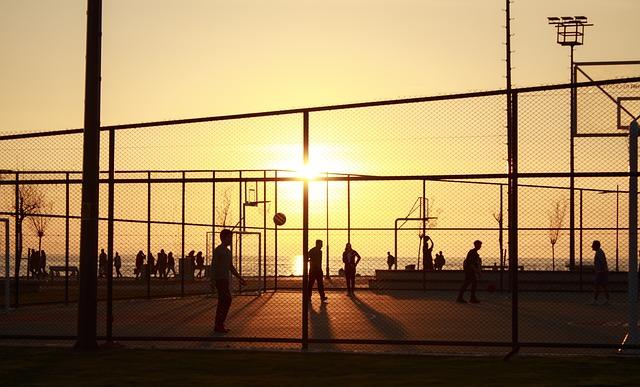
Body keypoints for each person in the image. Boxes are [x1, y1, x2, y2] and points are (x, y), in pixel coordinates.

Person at [211, 229, 246, 333]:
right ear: (223, 238)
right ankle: (219, 324)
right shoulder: (218, 250)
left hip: (225, 280)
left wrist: (240, 278)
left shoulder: (228, 252)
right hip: (219, 280)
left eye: (231, 237)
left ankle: (219, 324)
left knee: (224, 301)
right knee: (226, 299)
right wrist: (212, 281)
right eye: (229, 237)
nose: (231, 240)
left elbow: (231, 267)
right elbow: (214, 266)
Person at [592, 240, 610, 305]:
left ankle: (596, 300)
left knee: (598, 286)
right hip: (601, 272)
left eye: (593, 245)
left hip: (601, 272)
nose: (592, 247)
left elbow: (602, 262)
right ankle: (606, 299)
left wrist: (601, 271)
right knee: (602, 286)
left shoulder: (599, 252)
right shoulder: (599, 252)